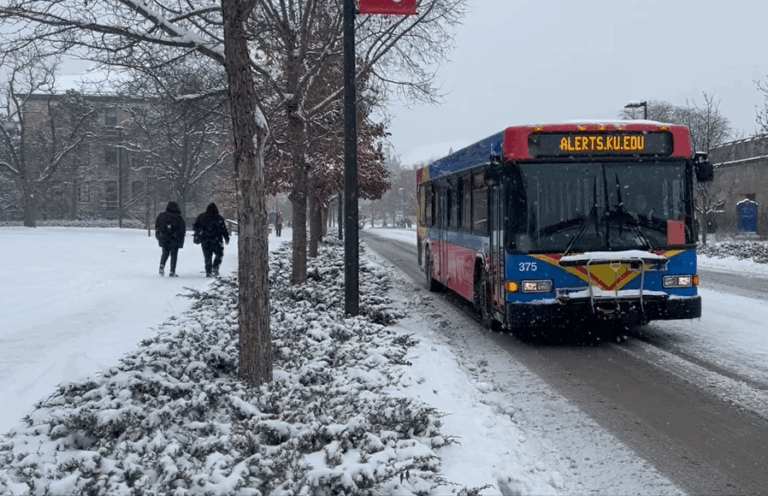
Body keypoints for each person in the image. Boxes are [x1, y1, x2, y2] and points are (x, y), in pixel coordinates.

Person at [193, 202, 230, 277]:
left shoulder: (201, 217)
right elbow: (223, 229)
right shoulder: (219, 218)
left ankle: (208, 271)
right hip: (217, 239)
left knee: (207, 256)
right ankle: (215, 267)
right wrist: (226, 237)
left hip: (205, 239)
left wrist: (199, 232)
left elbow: (195, 226)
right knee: (219, 254)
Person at [155, 201, 186, 277]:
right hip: (175, 238)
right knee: (174, 255)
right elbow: (182, 229)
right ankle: (172, 271)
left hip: (164, 238)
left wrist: (159, 236)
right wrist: (180, 238)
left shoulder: (162, 216)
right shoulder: (178, 217)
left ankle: (162, 265)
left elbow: (157, 226)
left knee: (165, 253)